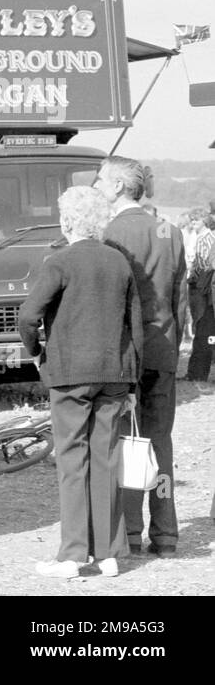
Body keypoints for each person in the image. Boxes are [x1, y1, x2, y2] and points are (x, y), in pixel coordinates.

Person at [19, 186, 142, 579]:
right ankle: (107, 554)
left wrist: (37, 351)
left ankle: (72, 555)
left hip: (70, 373)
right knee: (105, 459)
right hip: (114, 373)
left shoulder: (59, 262)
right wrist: (133, 380)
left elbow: (27, 316)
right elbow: (134, 324)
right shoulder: (120, 263)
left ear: (67, 221)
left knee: (73, 461)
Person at [95, 156, 186, 557]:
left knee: (127, 441)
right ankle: (165, 532)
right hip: (164, 346)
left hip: (127, 352)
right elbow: (179, 298)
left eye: (100, 179)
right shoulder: (170, 230)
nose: (97, 185)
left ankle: (131, 529)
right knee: (159, 440)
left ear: (117, 187)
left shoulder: (110, 232)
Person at [183, 209, 215, 380]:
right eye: (192, 221)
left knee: (203, 330)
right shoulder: (200, 238)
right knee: (203, 330)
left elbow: (206, 267)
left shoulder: (207, 239)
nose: (193, 223)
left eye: (196, 220)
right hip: (201, 288)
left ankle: (197, 373)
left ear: (205, 220)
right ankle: (197, 372)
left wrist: (195, 280)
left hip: (203, 290)